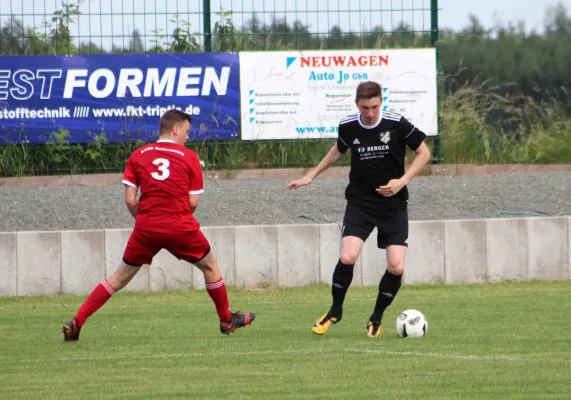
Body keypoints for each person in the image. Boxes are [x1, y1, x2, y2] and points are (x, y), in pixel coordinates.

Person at [62, 109, 255, 341]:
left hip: (146, 227)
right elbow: (193, 201)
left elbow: (130, 199)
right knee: (210, 265)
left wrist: (146, 220)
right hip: (179, 225)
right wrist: (175, 218)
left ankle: (77, 321)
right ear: (175, 129)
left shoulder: (138, 155)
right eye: (186, 131)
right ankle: (226, 320)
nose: (187, 137)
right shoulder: (190, 157)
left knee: (119, 277)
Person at [287, 81, 430, 338]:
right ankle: (335, 310)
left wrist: (402, 181)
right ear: (357, 105)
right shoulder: (349, 125)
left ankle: (376, 317)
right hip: (360, 203)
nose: (371, 112)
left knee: (396, 266)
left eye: (375, 106)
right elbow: (337, 151)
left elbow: (424, 153)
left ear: (381, 102)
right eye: (365, 107)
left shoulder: (397, 123)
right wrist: (311, 175)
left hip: (393, 205)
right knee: (347, 257)